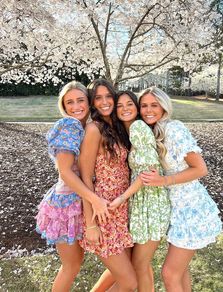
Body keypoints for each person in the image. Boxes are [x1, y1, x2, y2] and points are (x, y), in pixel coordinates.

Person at [138, 87, 222, 292]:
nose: (148, 110)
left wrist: (163, 181)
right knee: (180, 271)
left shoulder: (173, 129)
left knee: (169, 273)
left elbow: (200, 168)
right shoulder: (152, 131)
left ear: (164, 107)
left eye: (154, 105)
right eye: (144, 105)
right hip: (175, 209)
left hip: (191, 207)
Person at [92, 90, 170, 292]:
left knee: (139, 265)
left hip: (150, 203)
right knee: (138, 265)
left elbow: (149, 171)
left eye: (130, 104)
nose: (125, 109)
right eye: (120, 105)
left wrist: (122, 197)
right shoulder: (124, 132)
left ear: (136, 108)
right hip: (139, 202)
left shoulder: (137, 127)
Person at [36, 81, 109, 292]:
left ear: (89, 102)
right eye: (70, 102)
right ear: (63, 105)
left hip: (81, 201)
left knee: (76, 264)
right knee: (71, 266)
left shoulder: (88, 126)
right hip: (66, 206)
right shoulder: (70, 125)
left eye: (80, 100)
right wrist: (94, 199)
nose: (76, 106)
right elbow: (65, 172)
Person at [79, 79, 137, 291]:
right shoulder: (94, 129)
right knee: (129, 282)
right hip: (102, 212)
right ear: (93, 103)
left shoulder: (118, 126)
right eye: (98, 98)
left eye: (108, 96)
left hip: (121, 209)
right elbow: (85, 178)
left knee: (120, 274)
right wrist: (90, 224)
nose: (104, 102)